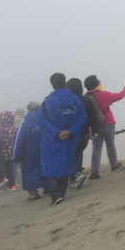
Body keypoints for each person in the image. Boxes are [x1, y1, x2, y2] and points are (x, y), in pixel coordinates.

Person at [36, 73, 88, 206]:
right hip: (69, 138)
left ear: (52, 85)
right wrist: (70, 131)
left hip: (51, 140)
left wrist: (56, 132)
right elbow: (83, 117)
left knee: (49, 165)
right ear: (65, 83)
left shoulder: (47, 102)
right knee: (67, 163)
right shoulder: (75, 100)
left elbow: (40, 120)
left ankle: (55, 195)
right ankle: (61, 191)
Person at [85, 75, 125, 179]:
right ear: (96, 84)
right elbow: (119, 96)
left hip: (94, 126)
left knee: (96, 148)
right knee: (110, 144)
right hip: (107, 122)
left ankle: (95, 171)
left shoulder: (85, 98)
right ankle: (114, 165)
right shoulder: (103, 94)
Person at [65, 78, 100, 189]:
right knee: (78, 154)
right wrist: (94, 130)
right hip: (85, 133)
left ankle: (77, 175)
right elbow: (93, 116)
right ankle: (73, 180)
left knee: (70, 157)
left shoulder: (69, 101)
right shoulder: (86, 100)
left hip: (73, 134)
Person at [12, 102, 47, 200]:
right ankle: (48, 187)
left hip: (29, 154)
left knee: (29, 173)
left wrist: (16, 156)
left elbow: (18, 141)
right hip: (45, 150)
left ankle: (34, 194)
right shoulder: (45, 120)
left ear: (28, 110)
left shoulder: (24, 124)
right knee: (45, 169)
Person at [0, 111, 18, 191]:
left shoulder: (1, 130)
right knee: (9, 169)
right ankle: (12, 186)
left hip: (2, 152)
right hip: (12, 152)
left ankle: (2, 178)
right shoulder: (15, 128)